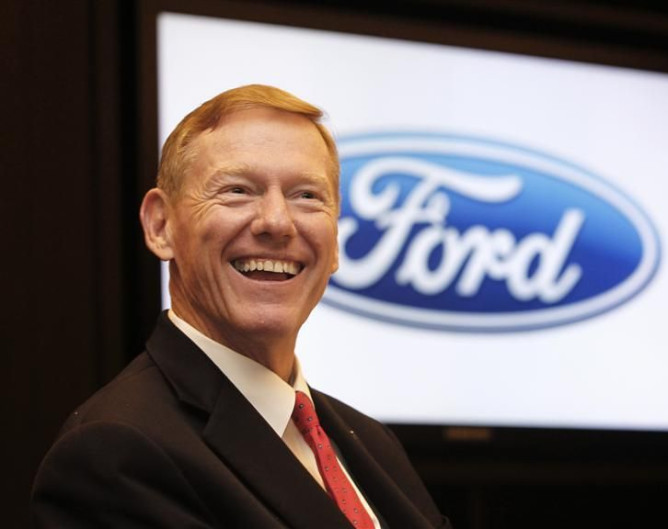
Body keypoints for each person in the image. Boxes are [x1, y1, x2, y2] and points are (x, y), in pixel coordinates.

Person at [31, 84, 452, 528]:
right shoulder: (116, 451)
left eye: (307, 195)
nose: (276, 222)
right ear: (160, 226)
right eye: (237, 190)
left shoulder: (372, 442)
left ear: (335, 244)